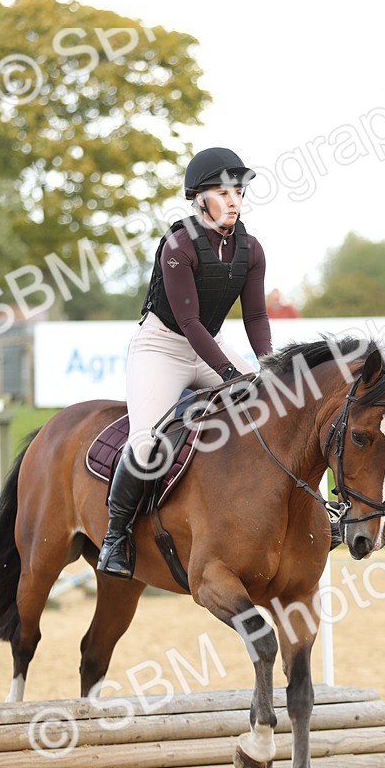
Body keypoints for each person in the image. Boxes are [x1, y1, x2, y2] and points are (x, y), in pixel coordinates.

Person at [97, 147, 272, 579]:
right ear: (199, 198)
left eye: (240, 189)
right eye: (224, 190)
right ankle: (115, 538)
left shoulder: (251, 249)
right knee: (145, 445)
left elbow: (255, 316)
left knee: (278, 408)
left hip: (208, 345)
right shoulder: (178, 246)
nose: (235, 199)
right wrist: (233, 375)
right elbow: (189, 322)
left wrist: (269, 369)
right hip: (162, 348)